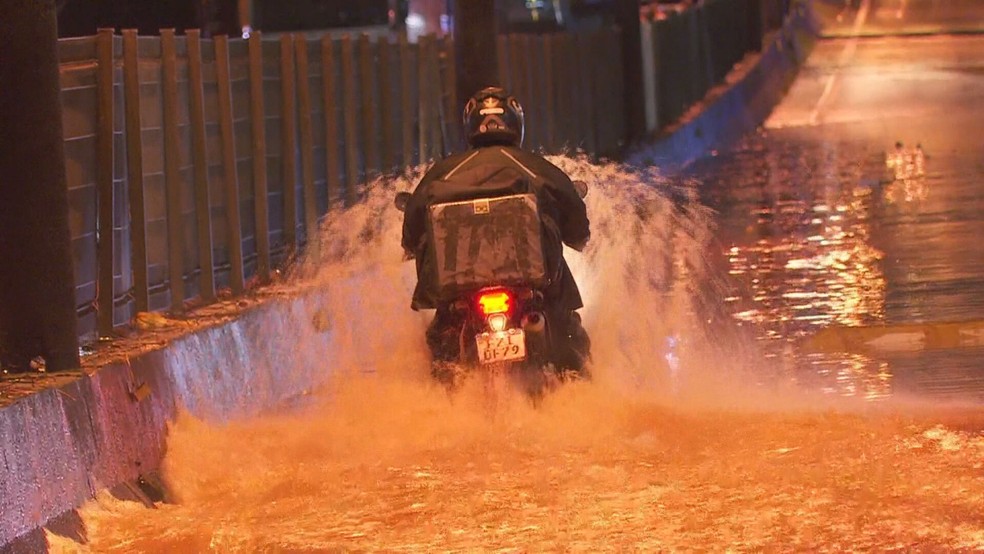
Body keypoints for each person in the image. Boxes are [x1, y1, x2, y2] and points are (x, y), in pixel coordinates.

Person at [401, 86, 591, 377]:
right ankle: (580, 395)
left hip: (460, 294)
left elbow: (413, 223)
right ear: (516, 123)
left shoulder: (443, 172)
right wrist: (577, 236)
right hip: (534, 286)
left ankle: (442, 398)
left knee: (439, 345)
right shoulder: (535, 167)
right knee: (570, 337)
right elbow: (575, 218)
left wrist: (410, 245)